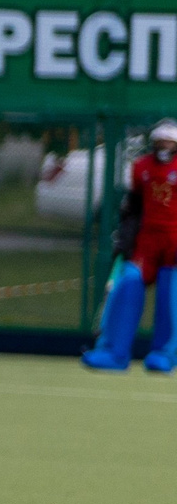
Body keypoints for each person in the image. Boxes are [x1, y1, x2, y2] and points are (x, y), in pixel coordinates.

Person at [85, 119, 177, 373]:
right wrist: (125, 237)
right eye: (160, 142)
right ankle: (113, 353)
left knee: (171, 297)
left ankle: (165, 354)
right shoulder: (141, 167)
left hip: (174, 244)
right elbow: (133, 207)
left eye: (169, 143)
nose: (164, 147)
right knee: (128, 286)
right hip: (145, 243)